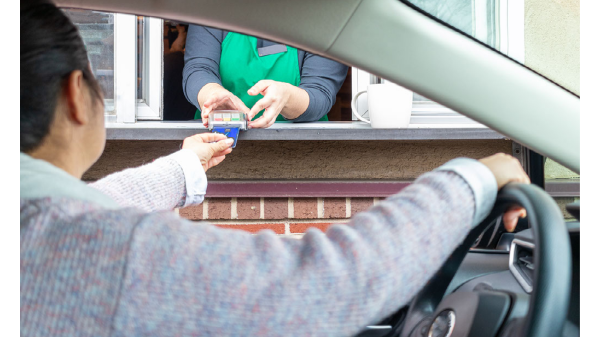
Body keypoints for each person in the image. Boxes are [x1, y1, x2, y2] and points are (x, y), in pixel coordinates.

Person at [20, 2, 529, 336]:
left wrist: (183, 165)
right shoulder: (110, 251)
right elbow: (325, 287)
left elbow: (321, 95)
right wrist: (476, 176)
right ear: (75, 95)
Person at [183, 25, 349, 128]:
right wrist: (211, 95)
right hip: (218, 144)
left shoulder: (326, 14)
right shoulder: (212, 8)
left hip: (300, 152)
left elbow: (320, 92)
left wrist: (287, 96)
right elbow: (198, 69)